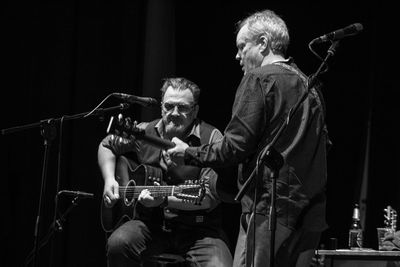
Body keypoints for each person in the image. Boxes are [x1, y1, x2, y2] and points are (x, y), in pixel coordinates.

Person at [167, 9, 329, 267]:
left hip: (269, 210)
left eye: (242, 46)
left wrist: (189, 152)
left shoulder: (258, 79)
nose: (237, 55)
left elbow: (234, 147)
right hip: (310, 214)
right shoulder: (310, 85)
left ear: (263, 43)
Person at [98, 77, 233, 267]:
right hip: (150, 225)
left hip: (200, 230)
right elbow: (106, 145)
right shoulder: (144, 131)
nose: (174, 113)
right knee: (118, 244)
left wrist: (164, 199)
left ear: (195, 110)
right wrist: (109, 179)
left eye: (183, 107)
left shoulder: (212, 138)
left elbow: (209, 196)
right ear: (161, 107)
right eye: (169, 106)